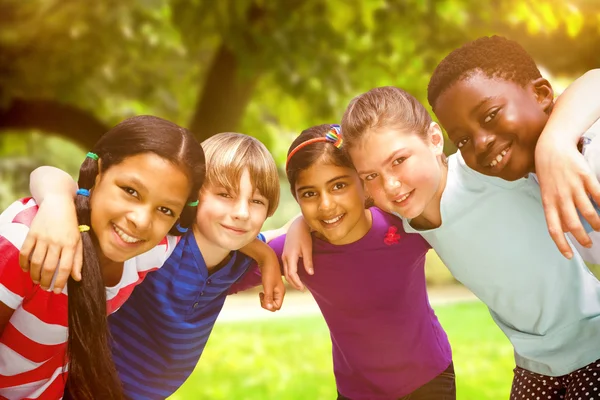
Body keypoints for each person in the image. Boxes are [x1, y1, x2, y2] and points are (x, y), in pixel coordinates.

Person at [284, 81, 600, 399]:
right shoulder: (401, 213)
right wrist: (299, 222)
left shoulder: (484, 168)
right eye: (371, 176)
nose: (391, 185)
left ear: (435, 140)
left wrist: (556, 140)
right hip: (537, 366)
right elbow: (339, 208)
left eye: (399, 160)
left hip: (593, 344)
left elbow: (593, 83)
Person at [27, 132, 285, 399]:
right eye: (224, 194)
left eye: (256, 201)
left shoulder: (238, 259)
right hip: (82, 389)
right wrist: (56, 202)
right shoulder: (156, 243)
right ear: (192, 196)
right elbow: (46, 175)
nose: (242, 213)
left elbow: (287, 233)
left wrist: (266, 254)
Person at [230, 124, 455, 400]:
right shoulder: (296, 251)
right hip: (356, 392)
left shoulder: (404, 223)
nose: (326, 205)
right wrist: (268, 249)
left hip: (430, 380)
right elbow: (216, 265)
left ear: (363, 182)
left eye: (339, 185)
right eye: (309, 194)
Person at [0, 115, 205, 399]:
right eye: (131, 191)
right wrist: (56, 199)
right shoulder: (29, 243)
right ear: (97, 173)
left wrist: (276, 245)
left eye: (166, 210)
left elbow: (227, 227)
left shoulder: (152, 250)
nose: (142, 221)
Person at [427, 35, 600, 260]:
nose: (480, 144)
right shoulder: (516, 185)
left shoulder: (592, 151)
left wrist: (555, 141)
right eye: (463, 140)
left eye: (490, 116)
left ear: (541, 95)